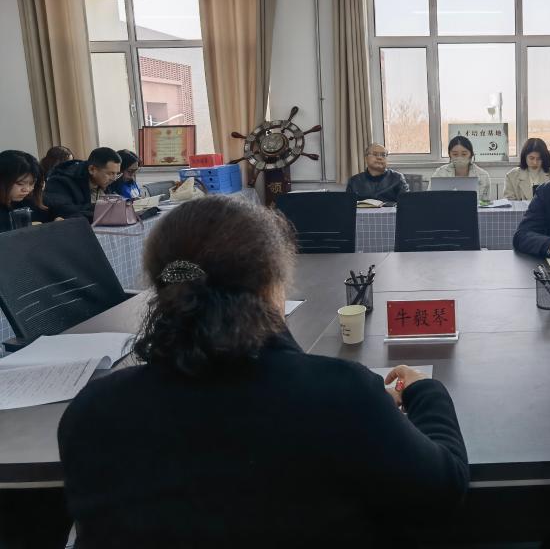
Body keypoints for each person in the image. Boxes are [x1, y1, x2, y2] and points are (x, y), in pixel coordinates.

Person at [58, 195, 469, 548]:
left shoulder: (92, 412)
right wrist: (426, 392)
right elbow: (441, 491)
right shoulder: (341, 396)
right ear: (273, 285)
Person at [43, 147, 121, 220]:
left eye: (116, 173)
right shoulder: (61, 181)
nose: (114, 179)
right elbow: (65, 212)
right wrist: (101, 207)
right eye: (110, 173)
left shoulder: (103, 181)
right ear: (92, 169)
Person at [0, 150, 50, 233]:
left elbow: (58, 208)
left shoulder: (32, 198)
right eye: (20, 183)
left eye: (32, 183)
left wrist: (59, 217)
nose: (27, 189)